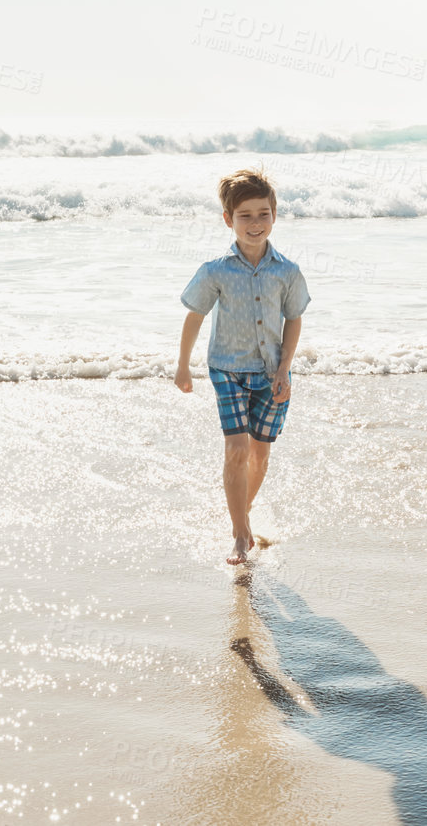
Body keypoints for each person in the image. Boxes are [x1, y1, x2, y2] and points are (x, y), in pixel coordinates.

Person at [175, 169, 310, 566]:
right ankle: (239, 534)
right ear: (228, 219)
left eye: (263, 214)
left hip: (271, 373)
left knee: (259, 455)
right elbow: (195, 316)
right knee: (236, 449)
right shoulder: (215, 271)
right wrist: (183, 366)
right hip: (227, 370)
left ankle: (242, 514)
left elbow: (294, 319)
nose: (255, 223)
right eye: (245, 215)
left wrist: (284, 369)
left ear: (274, 215)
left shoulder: (287, 271)